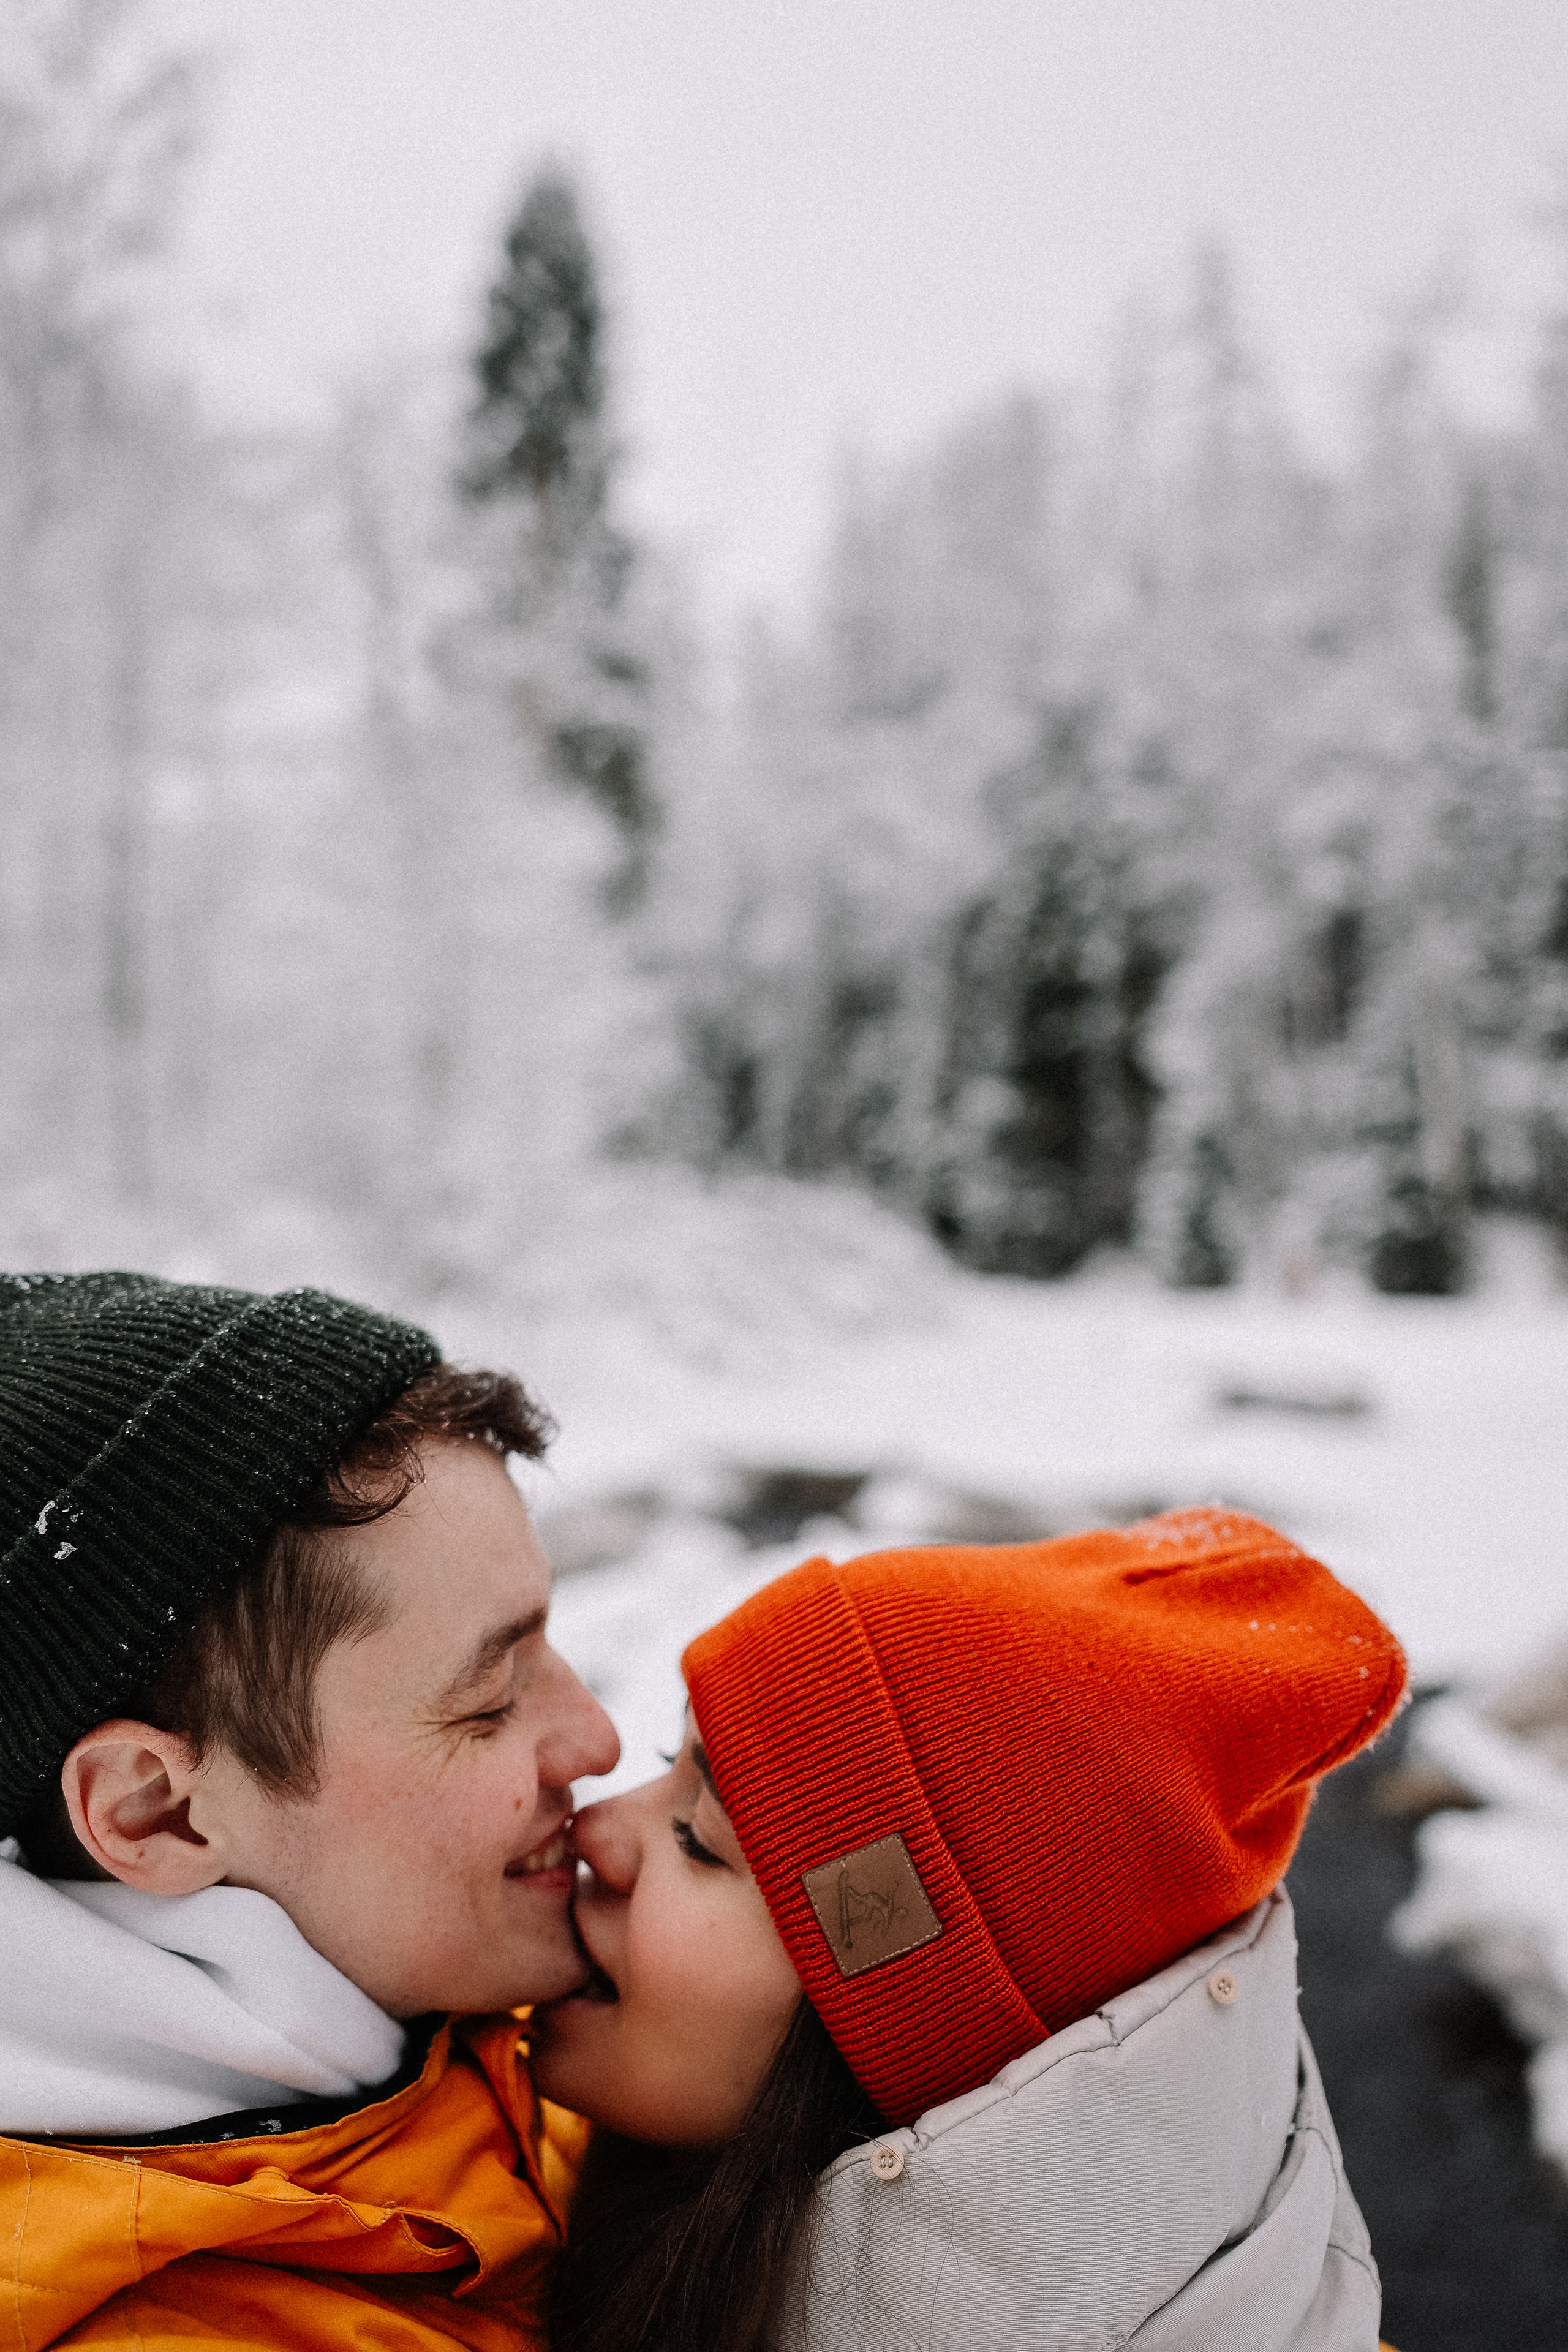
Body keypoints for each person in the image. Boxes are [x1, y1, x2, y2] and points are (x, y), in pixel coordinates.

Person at [534, 1506, 1409, 2352]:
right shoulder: (515, 2167)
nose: (596, 1829)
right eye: (666, 1763)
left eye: (699, 1841)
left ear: (901, 2036)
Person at [0, 1269, 619, 2350]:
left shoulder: (451, 2005)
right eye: (486, 1701)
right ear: (159, 1816)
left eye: (547, 1643)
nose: (596, 1740)